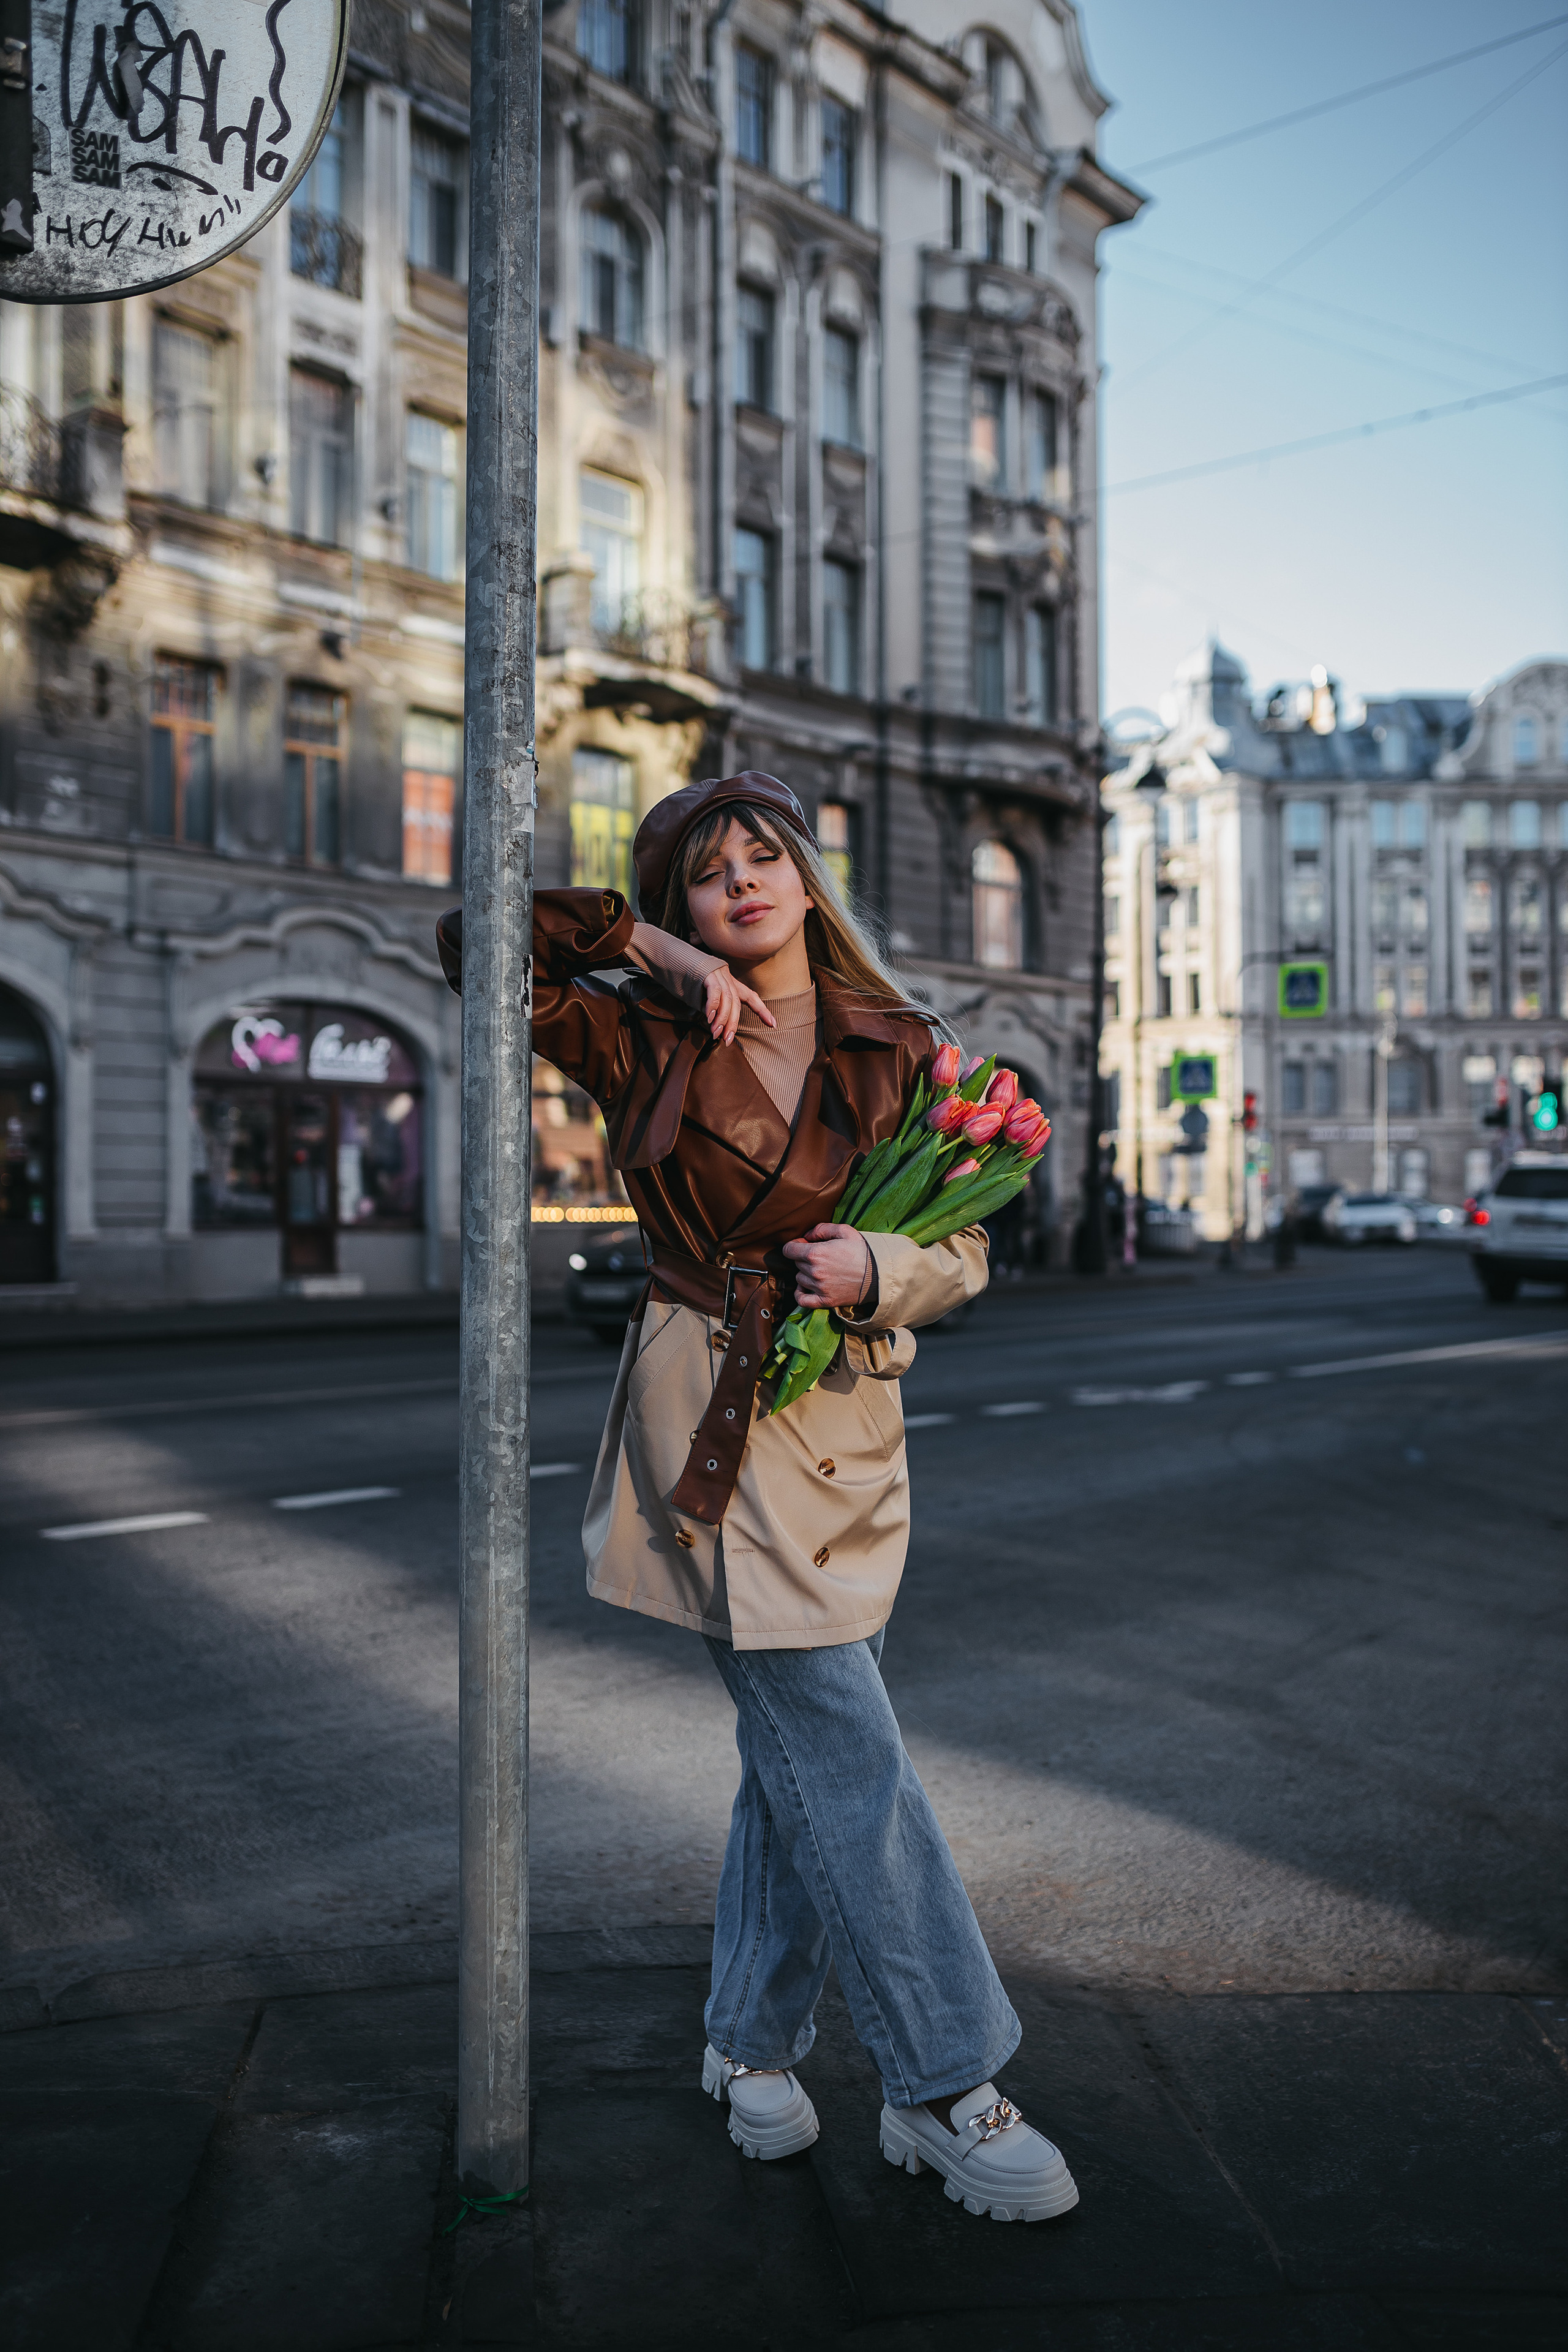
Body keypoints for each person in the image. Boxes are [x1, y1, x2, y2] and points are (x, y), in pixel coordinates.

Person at [437, 772, 1079, 2225]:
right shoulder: (642, 1023)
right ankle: (941, 2083)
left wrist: (883, 1273)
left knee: (792, 1756)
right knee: (846, 1753)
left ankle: (746, 2044)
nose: (741, 884)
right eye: (705, 875)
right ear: (682, 906)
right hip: (710, 1428)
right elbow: (479, 938)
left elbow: (966, 1250)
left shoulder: (902, 1042)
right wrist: (651, 955)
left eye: (761, 858)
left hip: (842, 1422)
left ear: (803, 874)